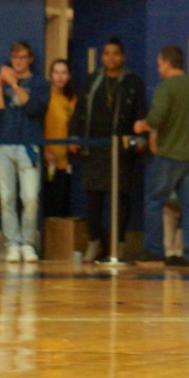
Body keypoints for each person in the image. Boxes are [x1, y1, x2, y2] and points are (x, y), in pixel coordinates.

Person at [134, 45, 189, 267]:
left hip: (170, 155)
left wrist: (142, 125)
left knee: (154, 201)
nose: (158, 68)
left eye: (159, 63)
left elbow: (157, 118)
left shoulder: (166, 88)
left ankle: (154, 249)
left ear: (167, 62)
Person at [70, 37, 147, 262]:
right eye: (106, 53)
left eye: (115, 53)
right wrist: (76, 135)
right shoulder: (93, 80)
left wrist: (139, 138)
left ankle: (118, 245)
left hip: (121, 151)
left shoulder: (133, 82)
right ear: (102, 57)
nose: (110, 58)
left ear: (122, 57)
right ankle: (94, 243)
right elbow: (80, 110)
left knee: (121, 201)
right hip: (94, 149)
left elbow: (141, 113)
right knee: (93, 200)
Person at [0, 41, 49, 262]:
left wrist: (14, 84)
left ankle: (28, 242)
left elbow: (34, 108)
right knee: (7, 197)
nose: (18, 62)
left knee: (30, 197)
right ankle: (12, 242)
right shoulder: (2, 84)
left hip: (28, 145)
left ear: (30, 59)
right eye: (15, 58)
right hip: (4, 144)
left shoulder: (40, 83)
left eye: (23, 57)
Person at [42, 58, 78, 218]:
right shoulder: (44, 97)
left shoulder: (73, 100)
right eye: (56, 72)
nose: (60, 77)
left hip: (65, 161)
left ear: (69, 76)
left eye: (64, 72)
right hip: (45, 159)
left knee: (61, 207)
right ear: (50, 75)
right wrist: (44, 150)